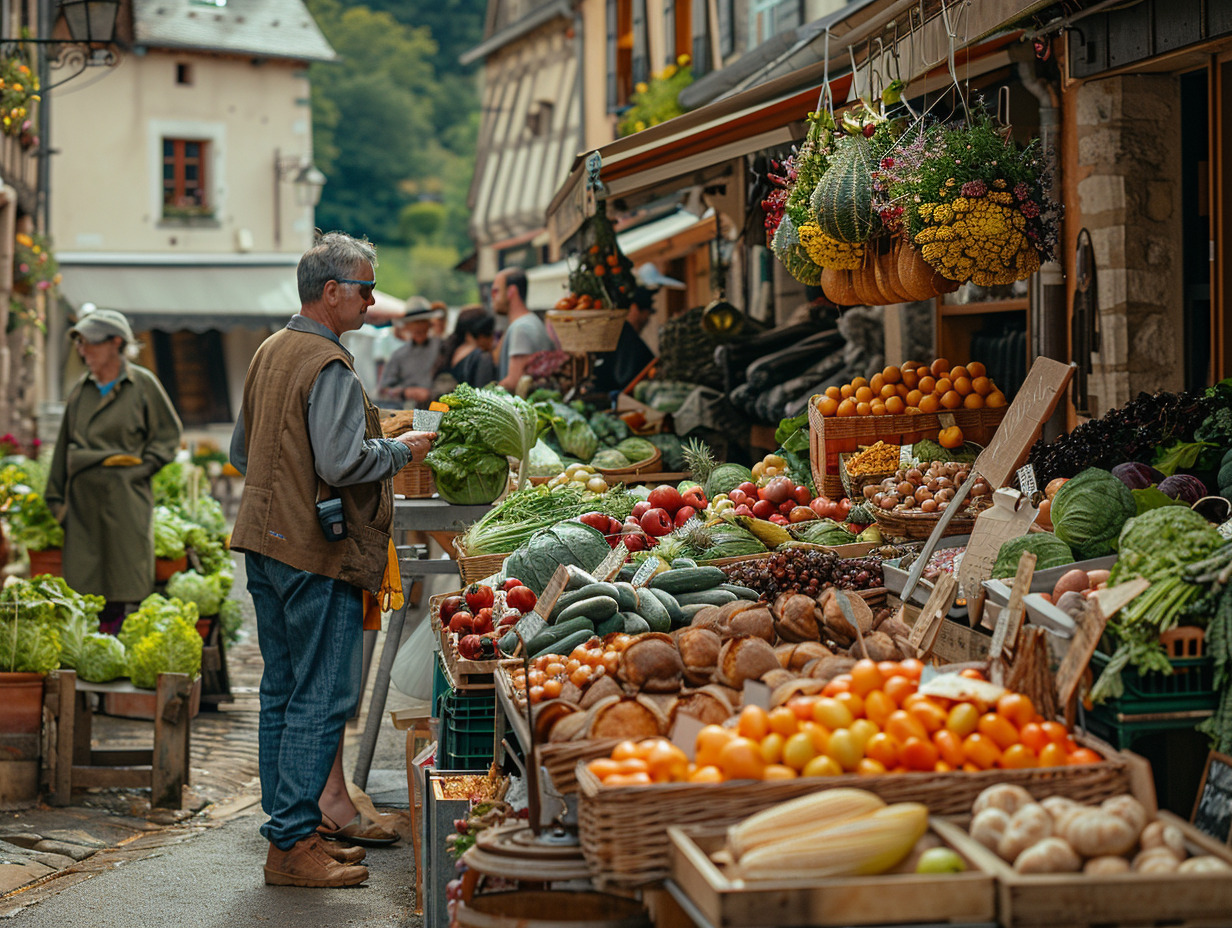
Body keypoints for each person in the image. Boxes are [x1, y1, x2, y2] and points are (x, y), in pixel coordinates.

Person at [228, 231, 435, 888]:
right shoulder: (329, 365)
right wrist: (405, 451)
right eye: (366, 289)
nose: (373, 301)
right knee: (322, 696)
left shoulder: (270, 351)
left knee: (283, 691)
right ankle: (291, 845)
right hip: (317, 554)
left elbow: (242, 452)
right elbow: (344, 463)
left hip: (264, 544)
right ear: (332, 292)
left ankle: (293, 833)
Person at [45, 308, 182, 634]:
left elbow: (168, 437)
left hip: (125, 503)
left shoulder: (142, 384)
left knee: (125, 582)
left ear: (115, 343)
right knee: (84, 586)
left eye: (90, 343)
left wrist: (138, 472)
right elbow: (63, 448)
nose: (83, 350)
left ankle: (121, 650)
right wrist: (57, 504)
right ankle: (88, 661)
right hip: (82, 507)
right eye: (80, 344)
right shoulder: (82, 390)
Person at [492, 266, 555, 390]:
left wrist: (482, 397)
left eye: (496, 291)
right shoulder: (530, 322)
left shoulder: (521, 328)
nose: (492, 297)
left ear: (511, 291)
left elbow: (514, 381)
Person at [376, 296, 443, 406]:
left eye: (422, 321)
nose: (418, 327)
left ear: (429, 324)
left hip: (439, 407)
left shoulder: (442, 348)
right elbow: (384, 389)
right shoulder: (398, 355)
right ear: (407, 326)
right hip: (407, 411)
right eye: (414, 322)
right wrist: (404, 392)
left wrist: (432, 393)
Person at [590, 287, 657, 394]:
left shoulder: (618, 330)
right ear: (634, 309)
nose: (647, 319)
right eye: (647, 313)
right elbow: (626, 378)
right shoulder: (625, 334)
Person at [435, 305, 497, 389]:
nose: (492, 339)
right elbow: (484, 395)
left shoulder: (453, 351)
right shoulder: (482, 357)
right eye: (488, 333)